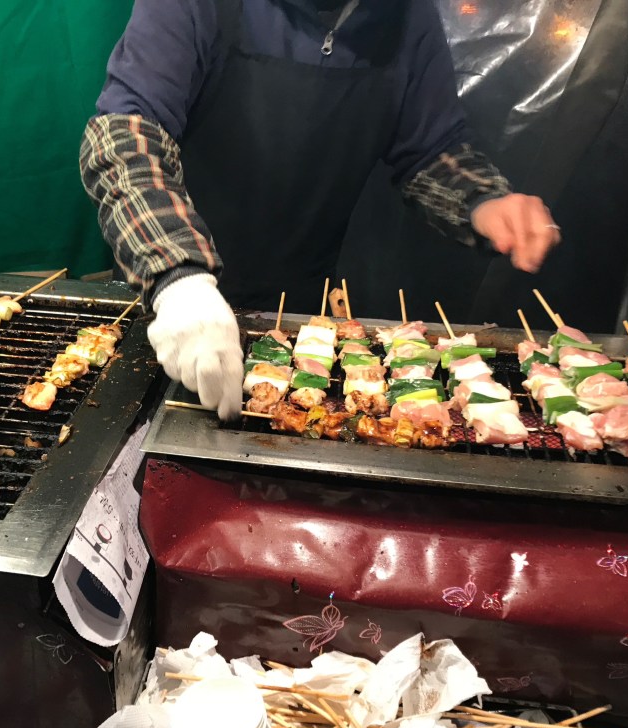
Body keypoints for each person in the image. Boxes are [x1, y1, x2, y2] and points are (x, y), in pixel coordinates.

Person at [80, 0, 561, 419]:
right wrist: (177, 281)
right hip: (173, 298)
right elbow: (124, 134)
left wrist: (481, 200)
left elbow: (430, 146)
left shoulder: (406, 15)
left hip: (296, 305)